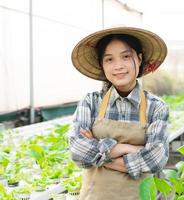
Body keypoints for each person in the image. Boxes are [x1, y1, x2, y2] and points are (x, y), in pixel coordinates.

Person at [69, 27, 169, 200]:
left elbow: (155, 160)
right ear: (102, 64)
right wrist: (127, 148)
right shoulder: (91, 102)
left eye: (126, 57)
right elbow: (77, 153)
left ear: (139, 59)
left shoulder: (156, 107)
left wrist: (99, 152)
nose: (118, 66)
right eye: (109, 59)